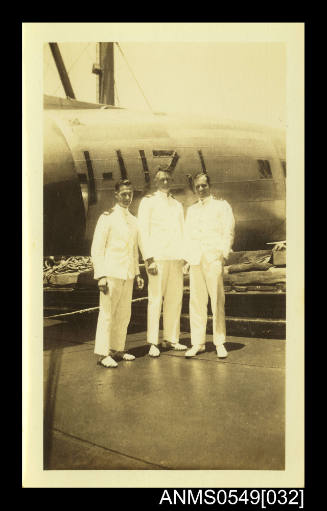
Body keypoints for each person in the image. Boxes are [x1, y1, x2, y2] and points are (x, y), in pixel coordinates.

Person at [91, 179, 144, 368]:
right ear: (116, 195)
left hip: (127, 273)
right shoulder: (107, 217)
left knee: (124, 314)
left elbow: (134, 251)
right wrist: (101, 275)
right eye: (123, 194)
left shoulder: (133, 220)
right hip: (111, 273)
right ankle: (103, 353)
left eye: (130, 193)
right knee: (107, 313)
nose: (127, 197)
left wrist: (137, 273)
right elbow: (97, 248)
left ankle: (118, 349)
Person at [183, 172, 235, 359]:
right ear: (194, 188)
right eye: (197, 186)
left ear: (209, 185)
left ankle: (219, 342)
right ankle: (198, 343)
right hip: (196, 260)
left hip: (213, 259)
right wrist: (188, 260)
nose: (201, 189)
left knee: (217, 300)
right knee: (196, 302)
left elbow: (228, 231)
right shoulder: (192, 210)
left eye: (203, 185)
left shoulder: (222, 206)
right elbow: (187, 236)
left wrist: (222, 254)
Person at [138, 165, 187, 357]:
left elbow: (182, 232)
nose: (165, 182)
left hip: (175, 258)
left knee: (175, 299)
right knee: (155, 300)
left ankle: (171, 338)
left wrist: (184, 258)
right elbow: (143, 232)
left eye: (168, 179)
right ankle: (152, 341)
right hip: (157, 258)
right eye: (162, 179)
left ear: (171, 181)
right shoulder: (148, 202)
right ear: (156, 182)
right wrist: (148, 258)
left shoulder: (177, 205)